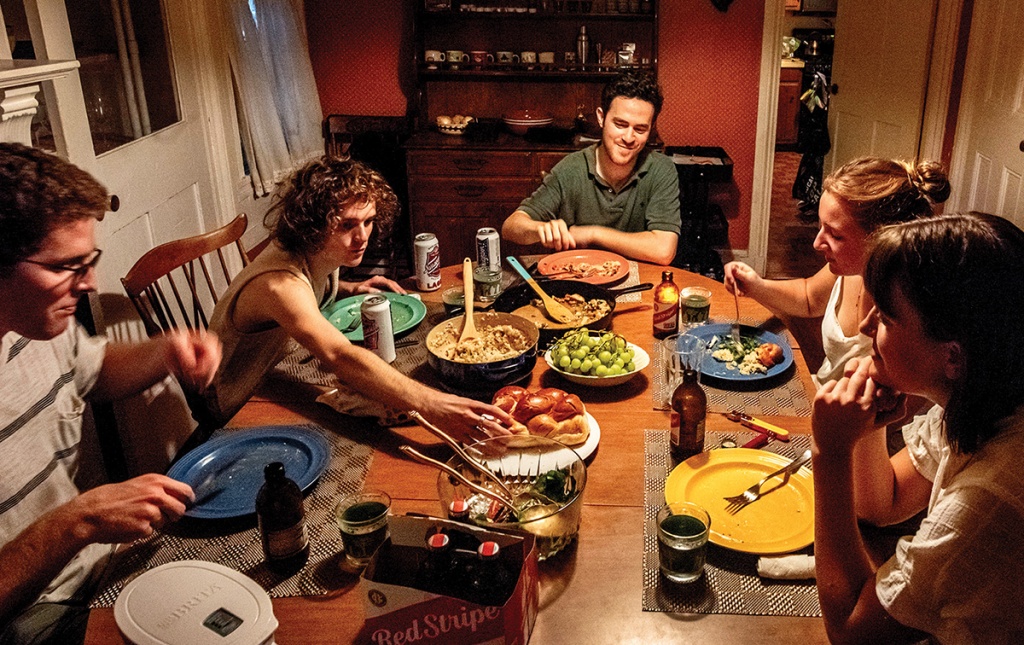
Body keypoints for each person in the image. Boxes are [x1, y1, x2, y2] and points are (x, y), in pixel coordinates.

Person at [0, 143, 221, 643]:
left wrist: (166, 350)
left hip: (96, 568)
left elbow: (97, 371)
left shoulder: (34, 328)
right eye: (67, 267)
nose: (92, 286)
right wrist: (78, 521)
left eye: (91, 261)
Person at [812, 212, 1024, 643]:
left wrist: (830, 452)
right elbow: (882, 503)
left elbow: (852, 632)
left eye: (887, 319)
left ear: (953, 357)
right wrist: (867, 424)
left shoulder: (988, 502)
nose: (867, 326)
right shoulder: (983, 398)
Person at [205, 155, 511, 443]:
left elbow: (311, 287)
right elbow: (338, 355)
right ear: (311, 225)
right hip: (242, 405)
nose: (363, 236)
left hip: (284, 371)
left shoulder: (315, 251)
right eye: (347, 225)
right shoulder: (279, 285)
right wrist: (434, 406)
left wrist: (351, 287)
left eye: (368, 221)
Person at [724, 156, 950, 385]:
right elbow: (809, 297)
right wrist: (756, 285)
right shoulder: (848, 269)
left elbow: (890, 411)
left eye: (835, 235)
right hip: (824, 395)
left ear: (882, 238)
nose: (816, 243)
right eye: (820, 226)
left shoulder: (910, 308)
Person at [500, 70, 681, 265]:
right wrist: (538, 229)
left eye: (640, 129)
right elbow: (510, 227)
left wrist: (593, 233)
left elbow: (664, 251)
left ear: (651, 128)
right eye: (620, 124)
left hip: (639, 279)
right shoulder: (571, 168)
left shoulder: (661, 169)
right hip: (576, 278)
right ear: (601, 118)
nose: (628, 138)